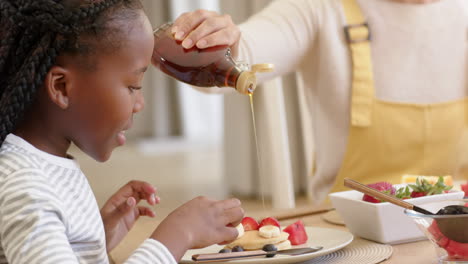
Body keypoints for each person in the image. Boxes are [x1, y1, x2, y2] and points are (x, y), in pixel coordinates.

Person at [0, 0, 244, 263]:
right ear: (61, 87)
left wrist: (95, 238)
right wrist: (177, 234)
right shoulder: (26, 188)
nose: (140, 104)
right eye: (132, 86)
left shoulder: (40, 169)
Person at [168, 0, 468, 203]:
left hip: (455, 225)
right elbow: (241, 54)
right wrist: (220, 41)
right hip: (350, 231)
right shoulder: (319, 7)